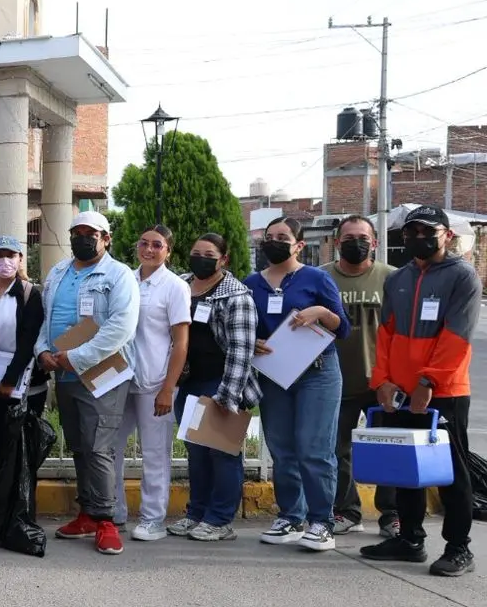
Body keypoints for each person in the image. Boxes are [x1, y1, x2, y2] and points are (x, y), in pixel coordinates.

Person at [361, 205, 479, 577]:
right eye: (410, 232)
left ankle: (459, 548)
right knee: (405, 468)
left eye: (426, 231)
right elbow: (386, 335)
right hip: (399, 390)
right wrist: (381, 379)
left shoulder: (463, 277)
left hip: (443, 391)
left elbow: (456, 336)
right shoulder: (399, 278)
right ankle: (410, 540)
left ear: (446, 234)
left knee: (451, 472)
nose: (416, 238)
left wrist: (429, 382)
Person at [36, 210, 140, 557]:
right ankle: (87, 514)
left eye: (90, 233)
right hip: (64, 372)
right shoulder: (58, 272)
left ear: (105, 238)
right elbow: (45, 318)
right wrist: (43, 352)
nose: (82, 238)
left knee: (99, 446)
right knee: (79, 444)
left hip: (102, 372)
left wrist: (76, 357)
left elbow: (120, 327)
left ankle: (107, 519)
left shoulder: (119, 275)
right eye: (77, 232)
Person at [246, 216, 351, 551]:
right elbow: (244, 326)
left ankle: (322, 522)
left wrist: (320, 310)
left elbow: (342, 327)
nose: (275, 241)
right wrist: (253, 341)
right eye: (270, 236)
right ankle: (291, 516)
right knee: (282, 448)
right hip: (275, 373)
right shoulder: (251, 283)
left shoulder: (316, 278)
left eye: (283, 236)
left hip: (317, 373)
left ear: (299, 245)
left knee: (314, 448)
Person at [173, 234, 261, 541]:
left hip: (221, 382)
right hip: (191, 382)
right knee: (196, 453)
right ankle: (197, 512)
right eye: (196, 252)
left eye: (209, 254)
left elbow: (242, 350)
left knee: (222, 453)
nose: (201, 258)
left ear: (223, 259)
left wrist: (229, 394)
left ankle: (220, 519)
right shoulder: (181, 285)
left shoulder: (237, 296)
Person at [109, 225, 192, 541]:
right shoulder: (125, 279)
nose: (149, 249)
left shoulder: (174, 287)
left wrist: (168, 387)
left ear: (168, 250)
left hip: (154, 380)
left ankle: (153, 518)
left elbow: (181, 342)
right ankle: (113, 511)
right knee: (110, 448)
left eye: (157, 245)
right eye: (143, 243)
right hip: (118, 378)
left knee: (155, 453)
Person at [322, 214, 398, 536]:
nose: (356, 243)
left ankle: (392, 514)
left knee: (389, 448)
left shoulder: (393, 278)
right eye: (349, 237)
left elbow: (403, 333)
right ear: (337, 242)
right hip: (334, 380)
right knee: (337, 450)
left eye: (363, 237)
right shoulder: (321, 277)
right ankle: (347, 511)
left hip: (382, 381)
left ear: (375, 243)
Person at [0, 235, 46, 415]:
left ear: (20, 259)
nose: (5, 261)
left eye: (10, 255)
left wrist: (10, 380)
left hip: (20, 381)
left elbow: (29, 339)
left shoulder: (29, 294)